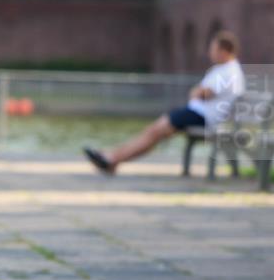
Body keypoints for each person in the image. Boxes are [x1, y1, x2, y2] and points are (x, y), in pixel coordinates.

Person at [84, 30, 245, 174]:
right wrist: (197, 92)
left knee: (153, 132)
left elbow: (203, 93)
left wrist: (196, 91)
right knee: (153, 132)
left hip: (201, 116)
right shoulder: (229, 69)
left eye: (213, 49)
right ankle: (112, 157)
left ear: (224, 51)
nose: (210, 52)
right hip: (199, 114)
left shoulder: (228, 71)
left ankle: (112, 158)